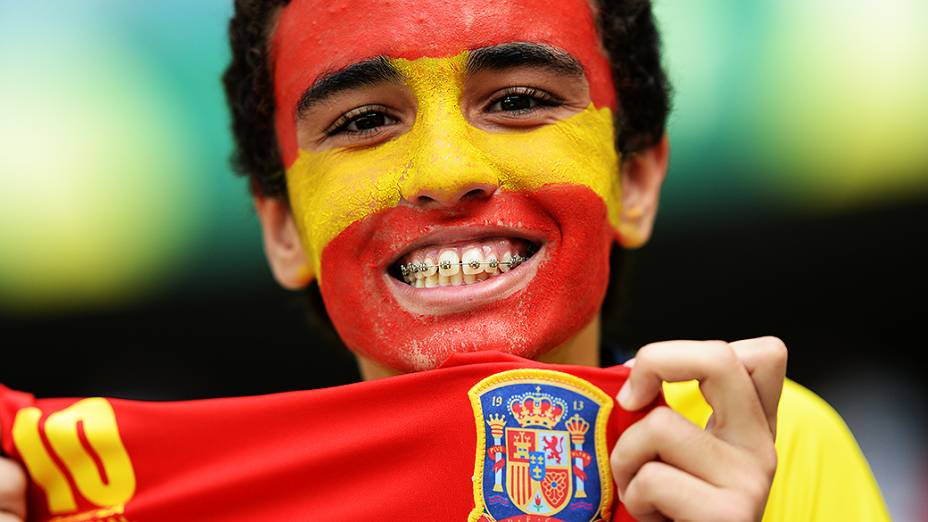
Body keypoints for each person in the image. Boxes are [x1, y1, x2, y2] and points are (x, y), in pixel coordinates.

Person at [0, 0, 889, 520]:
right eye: (362, 122)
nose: (445, 172)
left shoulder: (765, 455)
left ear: (637, 181)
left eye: (518, 99)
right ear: (280, 228)